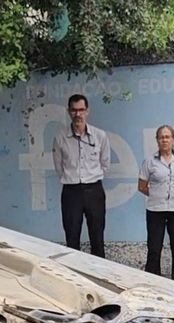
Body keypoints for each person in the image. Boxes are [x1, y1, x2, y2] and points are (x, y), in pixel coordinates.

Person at [51, 93, 110, 256]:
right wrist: (72, 179)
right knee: (72, 237)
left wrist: (91, 177)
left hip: (94, 190)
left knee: (97, 237)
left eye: (81, 110)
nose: (78, 114)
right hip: (71, 191)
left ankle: (99, 275)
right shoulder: (60, 137)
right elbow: (58, 166)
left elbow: (105, 164)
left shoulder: (100, 136)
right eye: (74, 110)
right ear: (69, 111)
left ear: (87, 111)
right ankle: (74, 275)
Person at [138, 124, 174, 283]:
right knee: (154, 248)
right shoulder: (150, 161)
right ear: (157, 140)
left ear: (173, 139)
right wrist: (157, 194)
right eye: (161, 137)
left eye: (167, 137)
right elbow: (141, 186)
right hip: (155, 210)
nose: (164, 140)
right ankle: (153, 282)